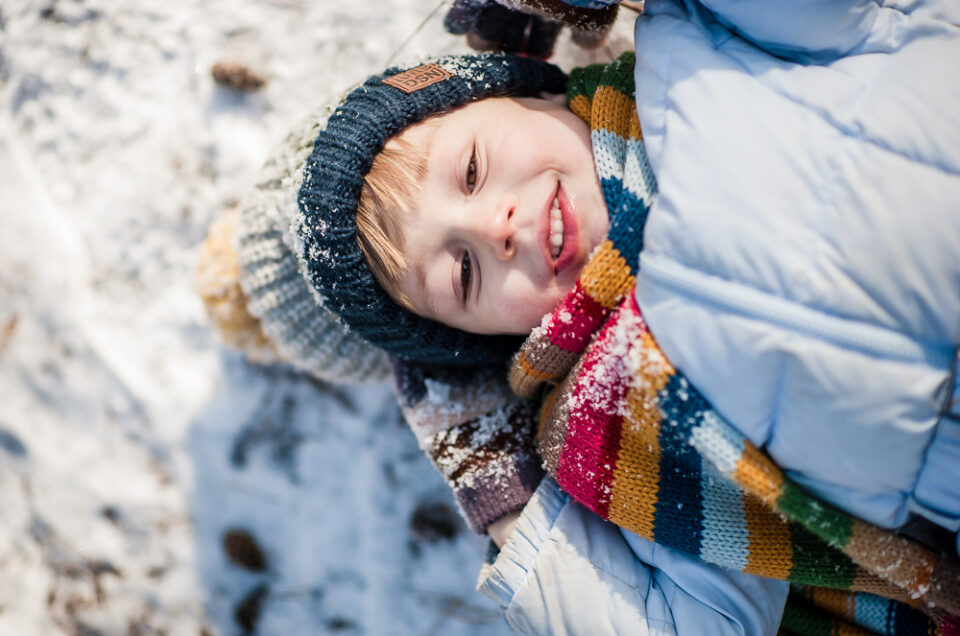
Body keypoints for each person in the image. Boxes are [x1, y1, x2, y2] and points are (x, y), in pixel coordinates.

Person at [197, 2, 960, 633]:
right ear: (479, 343)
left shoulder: (699, 45)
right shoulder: (608, 424)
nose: (493, 226)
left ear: (524, 88)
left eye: (469, 169)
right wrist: (509, 500)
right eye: (462, 270)